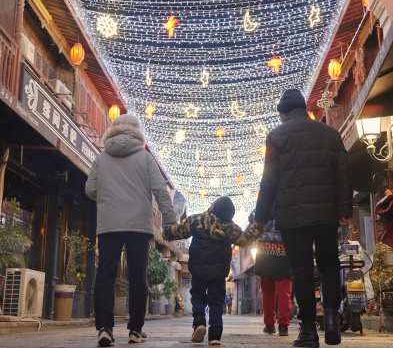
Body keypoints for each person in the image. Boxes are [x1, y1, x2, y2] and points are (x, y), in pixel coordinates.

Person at [254, 88, 352, 347]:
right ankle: (331, 318)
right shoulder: (330, 134)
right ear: (305, 109)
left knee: (302, 271)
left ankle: (308, 330)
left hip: (292, 215)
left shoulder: (276, 137)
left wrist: (261, 217)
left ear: (283, 114)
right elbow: (343, 175)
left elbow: (269, 181)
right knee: (330, 265)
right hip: (325, 213)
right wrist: (344, 210)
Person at [85, 114, 177, 347]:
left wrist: (107, 199)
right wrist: (169, 221)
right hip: (138, 226)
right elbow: (160, 191)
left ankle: (105, 329)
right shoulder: (145, 158)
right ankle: (135, 330)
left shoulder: (101, 158)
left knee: (105, 274)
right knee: (138, 276)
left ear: (112, 131)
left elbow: (90, 189)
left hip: (109, 225)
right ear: (137, 132)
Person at [162, 197, 263, 345]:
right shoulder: (231, 228)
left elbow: (179, 231)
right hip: (219, 271)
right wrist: (259, 226)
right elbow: (245, 239)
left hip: (198, 268)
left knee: (198, 296)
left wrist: (166, 233)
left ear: (212, 208)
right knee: (216, 301)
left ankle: (199, 323)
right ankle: (215, 335)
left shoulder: (196, 221)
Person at [249, 210, 293, 337]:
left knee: (268, 292)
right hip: (284, 253)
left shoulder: (262, 207)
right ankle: (283, 326)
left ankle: (269, 325)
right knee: (284, 292)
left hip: (265, 253)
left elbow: (253, 222)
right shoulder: (287, 203)